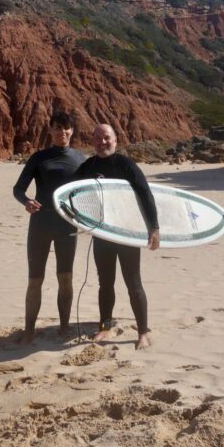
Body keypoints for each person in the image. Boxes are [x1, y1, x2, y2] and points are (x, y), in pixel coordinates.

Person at [75, 123, 160, 350]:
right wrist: (78, 220)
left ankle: (143, 332)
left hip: (125, 234)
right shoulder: (88, 166)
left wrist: (154, 228)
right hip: (102, 233)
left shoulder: (125, 164)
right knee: (105, 283)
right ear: (92, 141)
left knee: (133, 283)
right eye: (98, 139)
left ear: (116, 139)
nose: (102, 142)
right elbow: (72, 192)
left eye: (107, 138)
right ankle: (105, 326)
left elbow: (145, 193)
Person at [13, 111, 86, 343]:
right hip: (41, 224)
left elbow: (92, 190)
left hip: (67, 226)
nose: (61, 132)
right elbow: (18, 189)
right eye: (56, 127)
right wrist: (27, 202)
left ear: (72, 130)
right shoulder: (39, 158)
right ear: (50, 130)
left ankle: (64, 326)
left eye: (65, 128)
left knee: (66, 278)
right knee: (35, 280)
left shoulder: (81, 159)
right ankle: (29, 330)